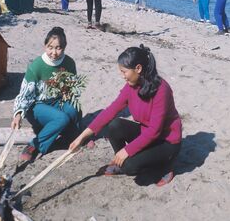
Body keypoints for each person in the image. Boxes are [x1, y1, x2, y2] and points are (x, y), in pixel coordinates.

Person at [69, 45, 182, 187]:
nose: (122, 76)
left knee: (130, 167)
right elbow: (110, 111)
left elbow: (155, 131)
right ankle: (123, 161)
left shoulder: (161, 90)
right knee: (114, 125)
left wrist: (127, 150)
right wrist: (82, 137)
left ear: (138, 69)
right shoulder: (131, 86)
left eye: (124, 72)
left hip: (166, 141)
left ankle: (166, 165)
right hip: (147, 134)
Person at [11, 27, 80, 162]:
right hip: (37, 105)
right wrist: (18, 114)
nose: (54, 52)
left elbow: (72, 88)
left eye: (58, 48)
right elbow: (25, 94)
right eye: (50, 47)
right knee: (62, 119)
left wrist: (69, 95)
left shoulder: (69, 63)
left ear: (64, 48)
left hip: (57, 101)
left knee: (74, 109)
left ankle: (75, 137)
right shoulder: (36, 66)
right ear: (45, 46)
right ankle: (34, 145)